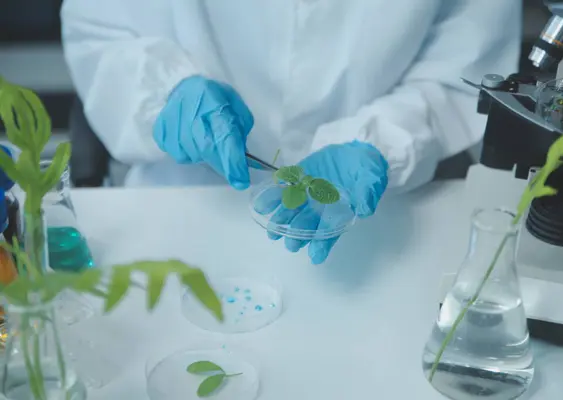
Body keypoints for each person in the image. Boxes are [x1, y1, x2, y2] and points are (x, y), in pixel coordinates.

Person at [60, 0, 522, 264]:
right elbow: (101, 27)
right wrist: (164, 91)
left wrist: (383, 139)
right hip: (186, 203)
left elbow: (465, 67)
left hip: (380, 225)